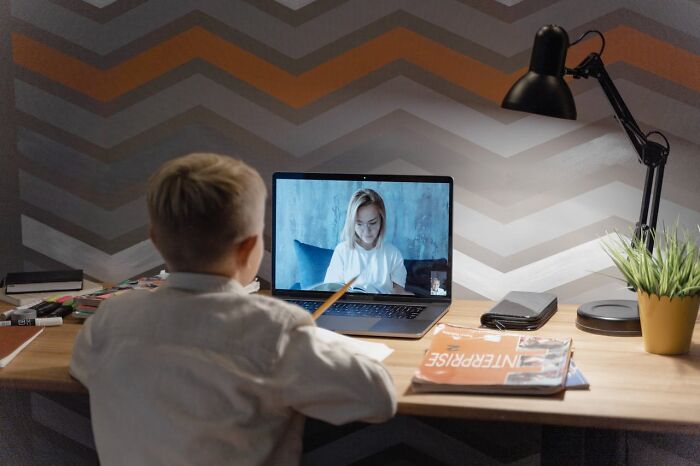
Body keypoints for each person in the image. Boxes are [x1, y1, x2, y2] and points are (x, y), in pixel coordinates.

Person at [69, 154, 396, 466]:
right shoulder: (276, 332)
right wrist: (316, 339)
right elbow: (379, 399)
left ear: (155, 240)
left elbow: (82, 367)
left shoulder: (108, 320)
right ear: (251, 247)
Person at [324, 188, 408, 294]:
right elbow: (329, 291)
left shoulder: (393, 254)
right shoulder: (342, 251)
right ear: (352, 223)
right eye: (359, 224)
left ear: (381, 220)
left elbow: (399, 294)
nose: (366, 231)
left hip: (382, 308)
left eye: (372, 223)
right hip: (350, 308)